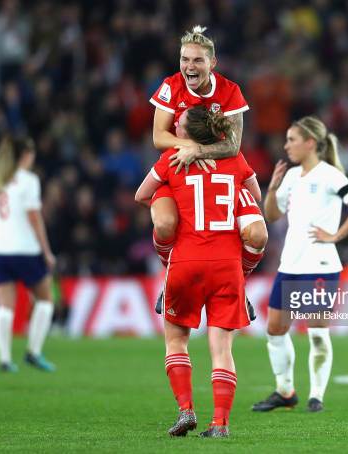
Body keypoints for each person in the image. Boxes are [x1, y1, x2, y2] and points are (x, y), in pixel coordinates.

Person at [135, 106, 266, 438]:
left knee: (177, 341)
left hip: (186, 262)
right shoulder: (235, 160)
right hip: (227, 265)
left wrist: (168, 196)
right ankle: (220, 423)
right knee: (222, 349)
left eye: (177, 124)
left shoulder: (171, 160)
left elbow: (141, 195)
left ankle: (185, 411)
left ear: (189, 132)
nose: (173, 128)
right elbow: (255, 197)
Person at [252, 116, 348, 412]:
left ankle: (316, 395)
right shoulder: (291, 176)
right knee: (275, 330)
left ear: (310, 143)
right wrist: (272, 189)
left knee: (317, 332)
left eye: (292, 139)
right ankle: (285, 391)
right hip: (289, 264)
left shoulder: (330, 175)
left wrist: (336, 235)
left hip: (320, 266)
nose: (286, 145)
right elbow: (273, 215)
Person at [148, 25, 252, 305]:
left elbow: (233, 145)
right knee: (166, 223)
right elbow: (159, 136)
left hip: (222, 173)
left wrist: (200, 150)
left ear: (212, 63)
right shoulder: (171, 86)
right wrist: (191, 150)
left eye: (197, 60)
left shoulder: (230, 91)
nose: (189, 66)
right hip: (178, 170)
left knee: (257, 232)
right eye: (184, 59)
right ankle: (170, 274)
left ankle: (240, 282)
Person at [0, 135, 56, 373]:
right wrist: (46, 251)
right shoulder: (29, 180)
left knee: (5, 306)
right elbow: (34, 218)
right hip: (25, 250)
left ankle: (4, 360)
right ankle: (33, 353)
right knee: (45, 300)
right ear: (25, 155)